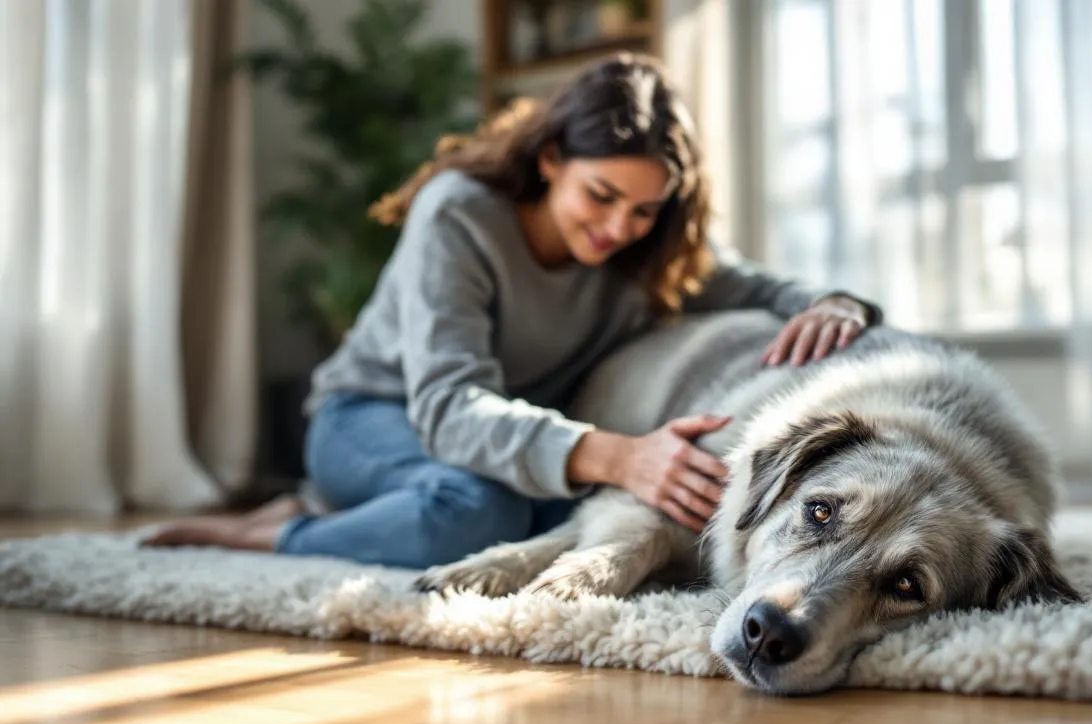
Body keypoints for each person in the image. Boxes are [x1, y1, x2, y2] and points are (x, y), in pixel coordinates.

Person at [143, 53, 883, 569]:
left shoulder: (644, 249)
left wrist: (838, 302)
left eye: (644, 210)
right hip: (372, 416)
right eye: (601, 196)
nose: (619, 227)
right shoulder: (461, 216)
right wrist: (621, 455)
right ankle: (268, 537)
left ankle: (340, 519)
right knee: (483, 513)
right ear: (552, 157)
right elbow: (448, 407)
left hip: (496, 440)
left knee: (568, 507)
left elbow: (761, 287)